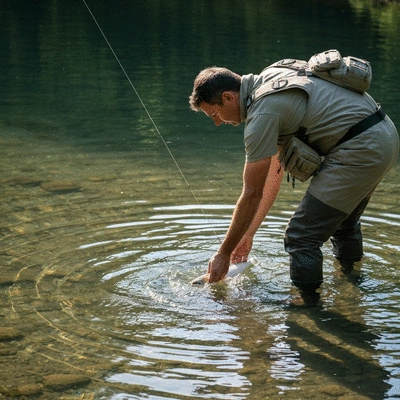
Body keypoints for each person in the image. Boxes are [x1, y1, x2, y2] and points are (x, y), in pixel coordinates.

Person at [189, 56, 399, 305]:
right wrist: (247, 234)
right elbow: (272, 178)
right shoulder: (272, 75)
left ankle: (308, 308)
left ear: (228, 97)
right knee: (343, 221)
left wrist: (223, 253)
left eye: (215, 113)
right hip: (383, 134)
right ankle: (352, 285)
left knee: (301, 236)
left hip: (361, 148)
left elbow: (251, 193)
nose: (217, 122)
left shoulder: (262, 114)